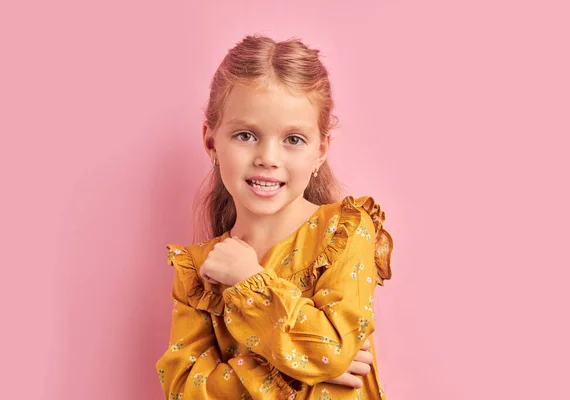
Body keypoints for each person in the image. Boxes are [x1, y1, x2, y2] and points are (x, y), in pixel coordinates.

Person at [156, 33, 394, 399]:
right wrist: (302, 368)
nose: (268, 157)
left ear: (320, 150)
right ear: (211, 142)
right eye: (246, 135)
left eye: (293, 139)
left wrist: (250, 282)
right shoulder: (198, 272)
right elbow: (184, 391)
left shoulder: (343, 233)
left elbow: (332, 350)